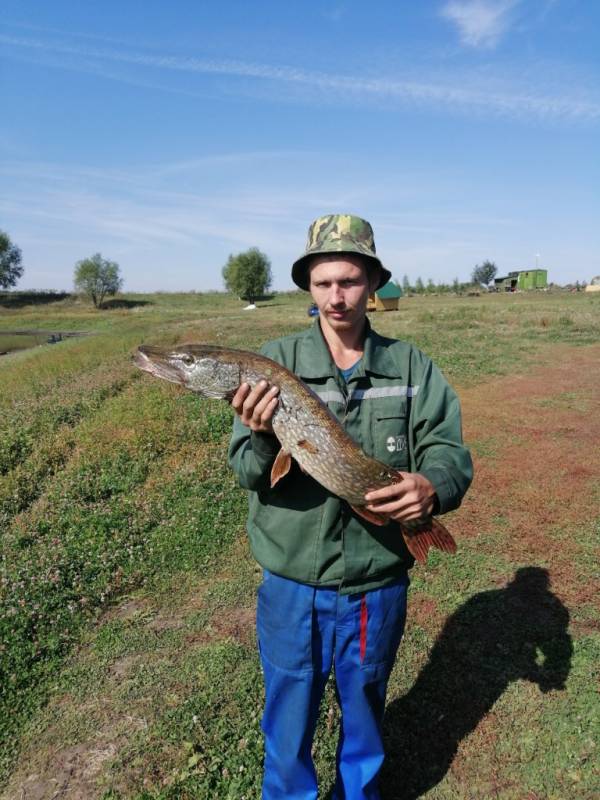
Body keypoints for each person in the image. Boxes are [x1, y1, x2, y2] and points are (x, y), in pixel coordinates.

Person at [228, 214, 473, 800]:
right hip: (292, 581)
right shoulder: (272, 364)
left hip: (375, 581)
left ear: (372, 284)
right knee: (288, 715)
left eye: (349, 281)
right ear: (308, 289)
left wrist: (431, 486)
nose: (336, 297)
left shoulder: (411, 367)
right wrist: (263, 436)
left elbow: (449, 451)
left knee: (364, 705)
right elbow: (246, 470)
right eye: (323, 283)